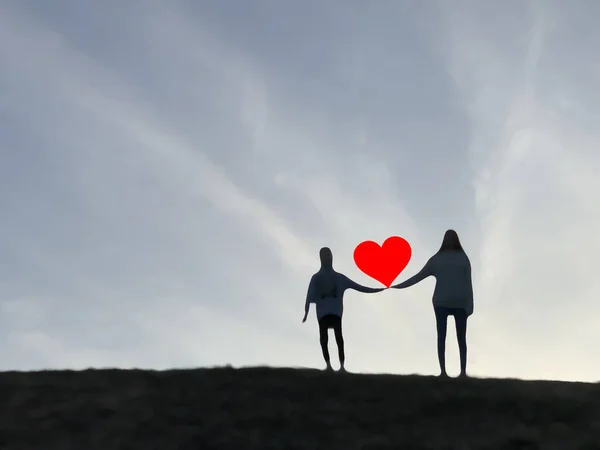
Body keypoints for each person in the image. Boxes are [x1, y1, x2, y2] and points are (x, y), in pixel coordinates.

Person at [391, 230, 473, 378]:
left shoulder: (463, 258)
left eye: (451, 237)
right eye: (447, 238)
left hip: (460, 302)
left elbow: (469, 282)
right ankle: (443, 371)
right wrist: (397, 286)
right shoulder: (437, 259)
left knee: (461, 337)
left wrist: (470, 304)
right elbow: (418, 276)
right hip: (441, 301)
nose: (449, 240)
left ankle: (463, 372)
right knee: (441, 335)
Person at [303, 247, 385, 372]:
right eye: (323, 255)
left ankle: (341, 366)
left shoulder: (340, 278)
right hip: (323, 314)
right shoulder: (316, 278)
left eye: (327, 255)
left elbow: (360, 287)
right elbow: (309, 296)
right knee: (324, 338)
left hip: (335, 313)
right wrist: (306, 311)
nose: (325, 257)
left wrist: (377, 289)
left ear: (331, 257)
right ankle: (329, 365)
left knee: (338, 338)